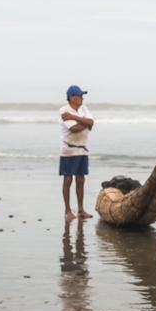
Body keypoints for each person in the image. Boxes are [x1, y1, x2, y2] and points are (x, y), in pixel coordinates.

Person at [59, 85, 94, 220]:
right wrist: (86, 123)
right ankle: (68, 210)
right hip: (69, 149)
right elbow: (73, 128)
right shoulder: (63, 110)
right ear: (72, 98)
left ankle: (81, 210)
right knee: (68, 179)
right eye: (79, 96)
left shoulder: (83, 109)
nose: (82, 98)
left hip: (82, 148)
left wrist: (76, 118)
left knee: (81, 179)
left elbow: (91, 121)